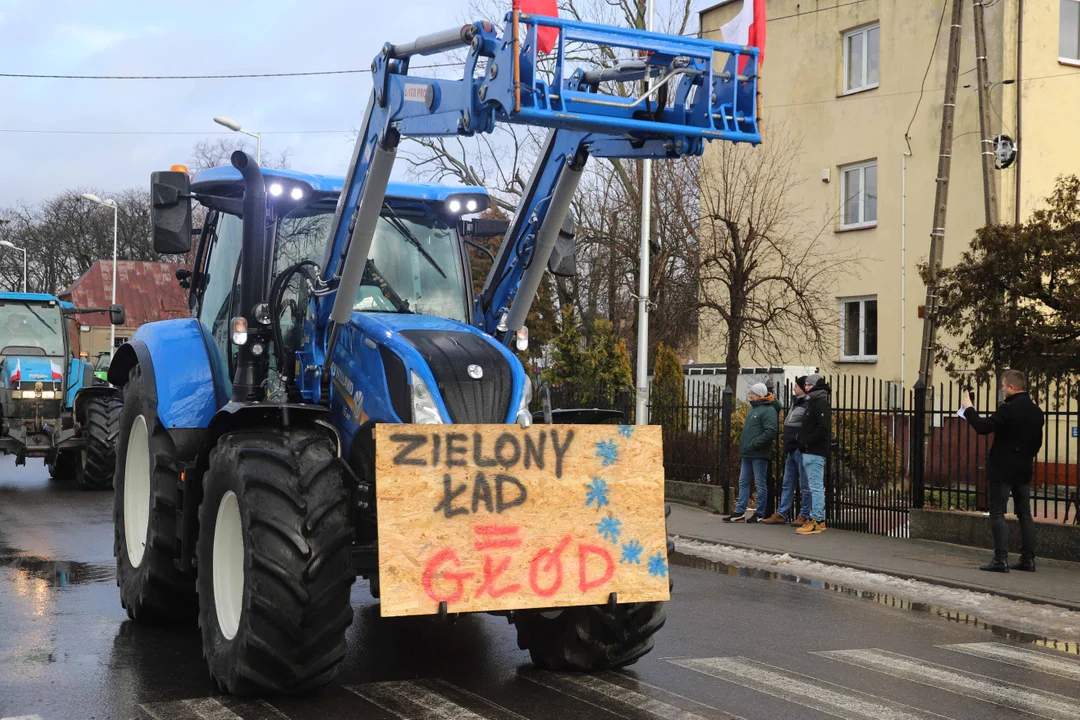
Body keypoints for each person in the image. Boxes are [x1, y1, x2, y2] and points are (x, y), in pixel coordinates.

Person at [959, 369, 1044, 572]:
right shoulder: (1036, 411)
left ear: (1012, 388)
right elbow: (1037, 444)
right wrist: (1023, 456)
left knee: (997, 512)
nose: (1002, 389)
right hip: (1023, 468)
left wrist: (968, 408)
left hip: (1002, 469)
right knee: (1025, 513)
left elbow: (982, 427)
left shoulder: (1008, 409)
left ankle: (1000, 559)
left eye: (1003, 386)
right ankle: (1028, 559)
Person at [724, 382, 779, 524]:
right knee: (743, 482)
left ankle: (760, 513)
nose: (750, 395)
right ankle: (740, 512)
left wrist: (755, 443)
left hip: (758, 453)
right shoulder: (754, 410)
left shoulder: (768, 410)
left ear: (759, 395)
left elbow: (771, 431)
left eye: (753, 393)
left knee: (760, 483)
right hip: (748, 453)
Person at [764, 376, 811, 525]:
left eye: (796, 386)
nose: (793, 388)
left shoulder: (808, 404)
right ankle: (782, 513)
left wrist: (799, 441)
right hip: (791, 448)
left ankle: (804, 514)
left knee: (805, 484)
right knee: (787, 483)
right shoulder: (795, 403)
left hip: (800, 448)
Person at [796, 374, 831, 535]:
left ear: (817, 386)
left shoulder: (820, 404)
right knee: (813, 486)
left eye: (810, 384)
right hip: (809, 451)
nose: (807, 387)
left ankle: (816, 520)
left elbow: (823, 428)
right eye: (806, 385)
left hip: (815, 451)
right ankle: (819, 519)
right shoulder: (813, 403)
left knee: (815, 487)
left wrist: (807, 441)